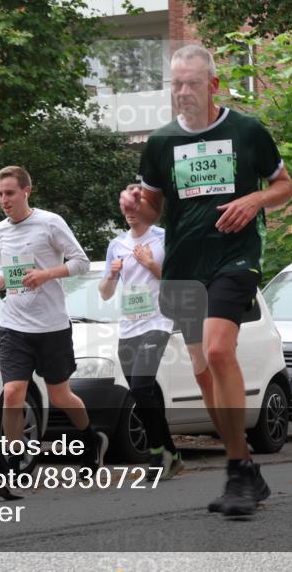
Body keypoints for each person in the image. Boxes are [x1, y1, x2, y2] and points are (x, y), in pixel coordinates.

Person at [120, 44, 292, 516]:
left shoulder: (246, 130)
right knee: (203, 371)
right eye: (175, 83)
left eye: (192, 83)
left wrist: (255, 201)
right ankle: (244, 466)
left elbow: (285, 186)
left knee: (220, 351)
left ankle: (237, 470)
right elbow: (157, 207)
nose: (182, 92)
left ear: (213, 85)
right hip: (182, 265)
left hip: (234, 258)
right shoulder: (160, 144)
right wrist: (138, 206)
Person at [0, 165, 108, 495]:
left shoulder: (50, 223)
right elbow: (6, 269)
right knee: (12, 394)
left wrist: (46, 275)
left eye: (9, 193)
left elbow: (79, 262)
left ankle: (91, 439)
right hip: (14, 324)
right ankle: (12, 467)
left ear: (26, 191)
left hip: (51, 326)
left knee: (60, 396)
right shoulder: (0, 231)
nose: (3, 200)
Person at [98, 185, 184, 481]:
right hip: (129, 326)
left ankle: (157, 450)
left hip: (158, 322)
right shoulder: (116, 245)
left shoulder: (163, 239)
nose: (131, 214)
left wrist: (151, 265)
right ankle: (172, 452)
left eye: (136, 209)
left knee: (141, 383)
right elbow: (106, 293)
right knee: (142, 391)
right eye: (126, 210)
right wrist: (111, 274)